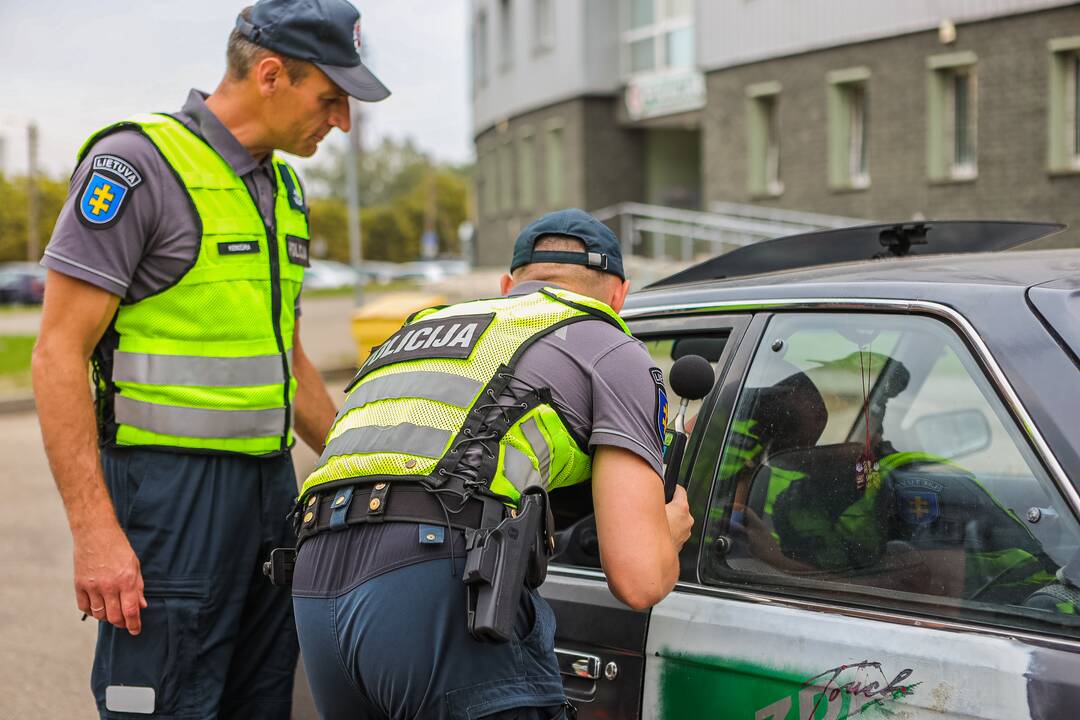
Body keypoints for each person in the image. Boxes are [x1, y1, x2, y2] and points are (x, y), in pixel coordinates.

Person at [31, 1, 389, 716]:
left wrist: (376, 464)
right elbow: (56, 353)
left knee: (261, 702)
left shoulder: (282, 188)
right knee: (164, 704)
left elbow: (284, 360)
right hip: (167, 499)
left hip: (268, 494)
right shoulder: (137, 166)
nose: (342, 122)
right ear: (269, 75)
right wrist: (97, 534)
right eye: (331, 99)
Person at [290, 208, 695, 719]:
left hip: (314, 583)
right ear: (619, 295)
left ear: (508, 284)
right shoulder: (609, 345)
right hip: (429, 579)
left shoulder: (419, 330)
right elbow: (639, 580)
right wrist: (668, 533)